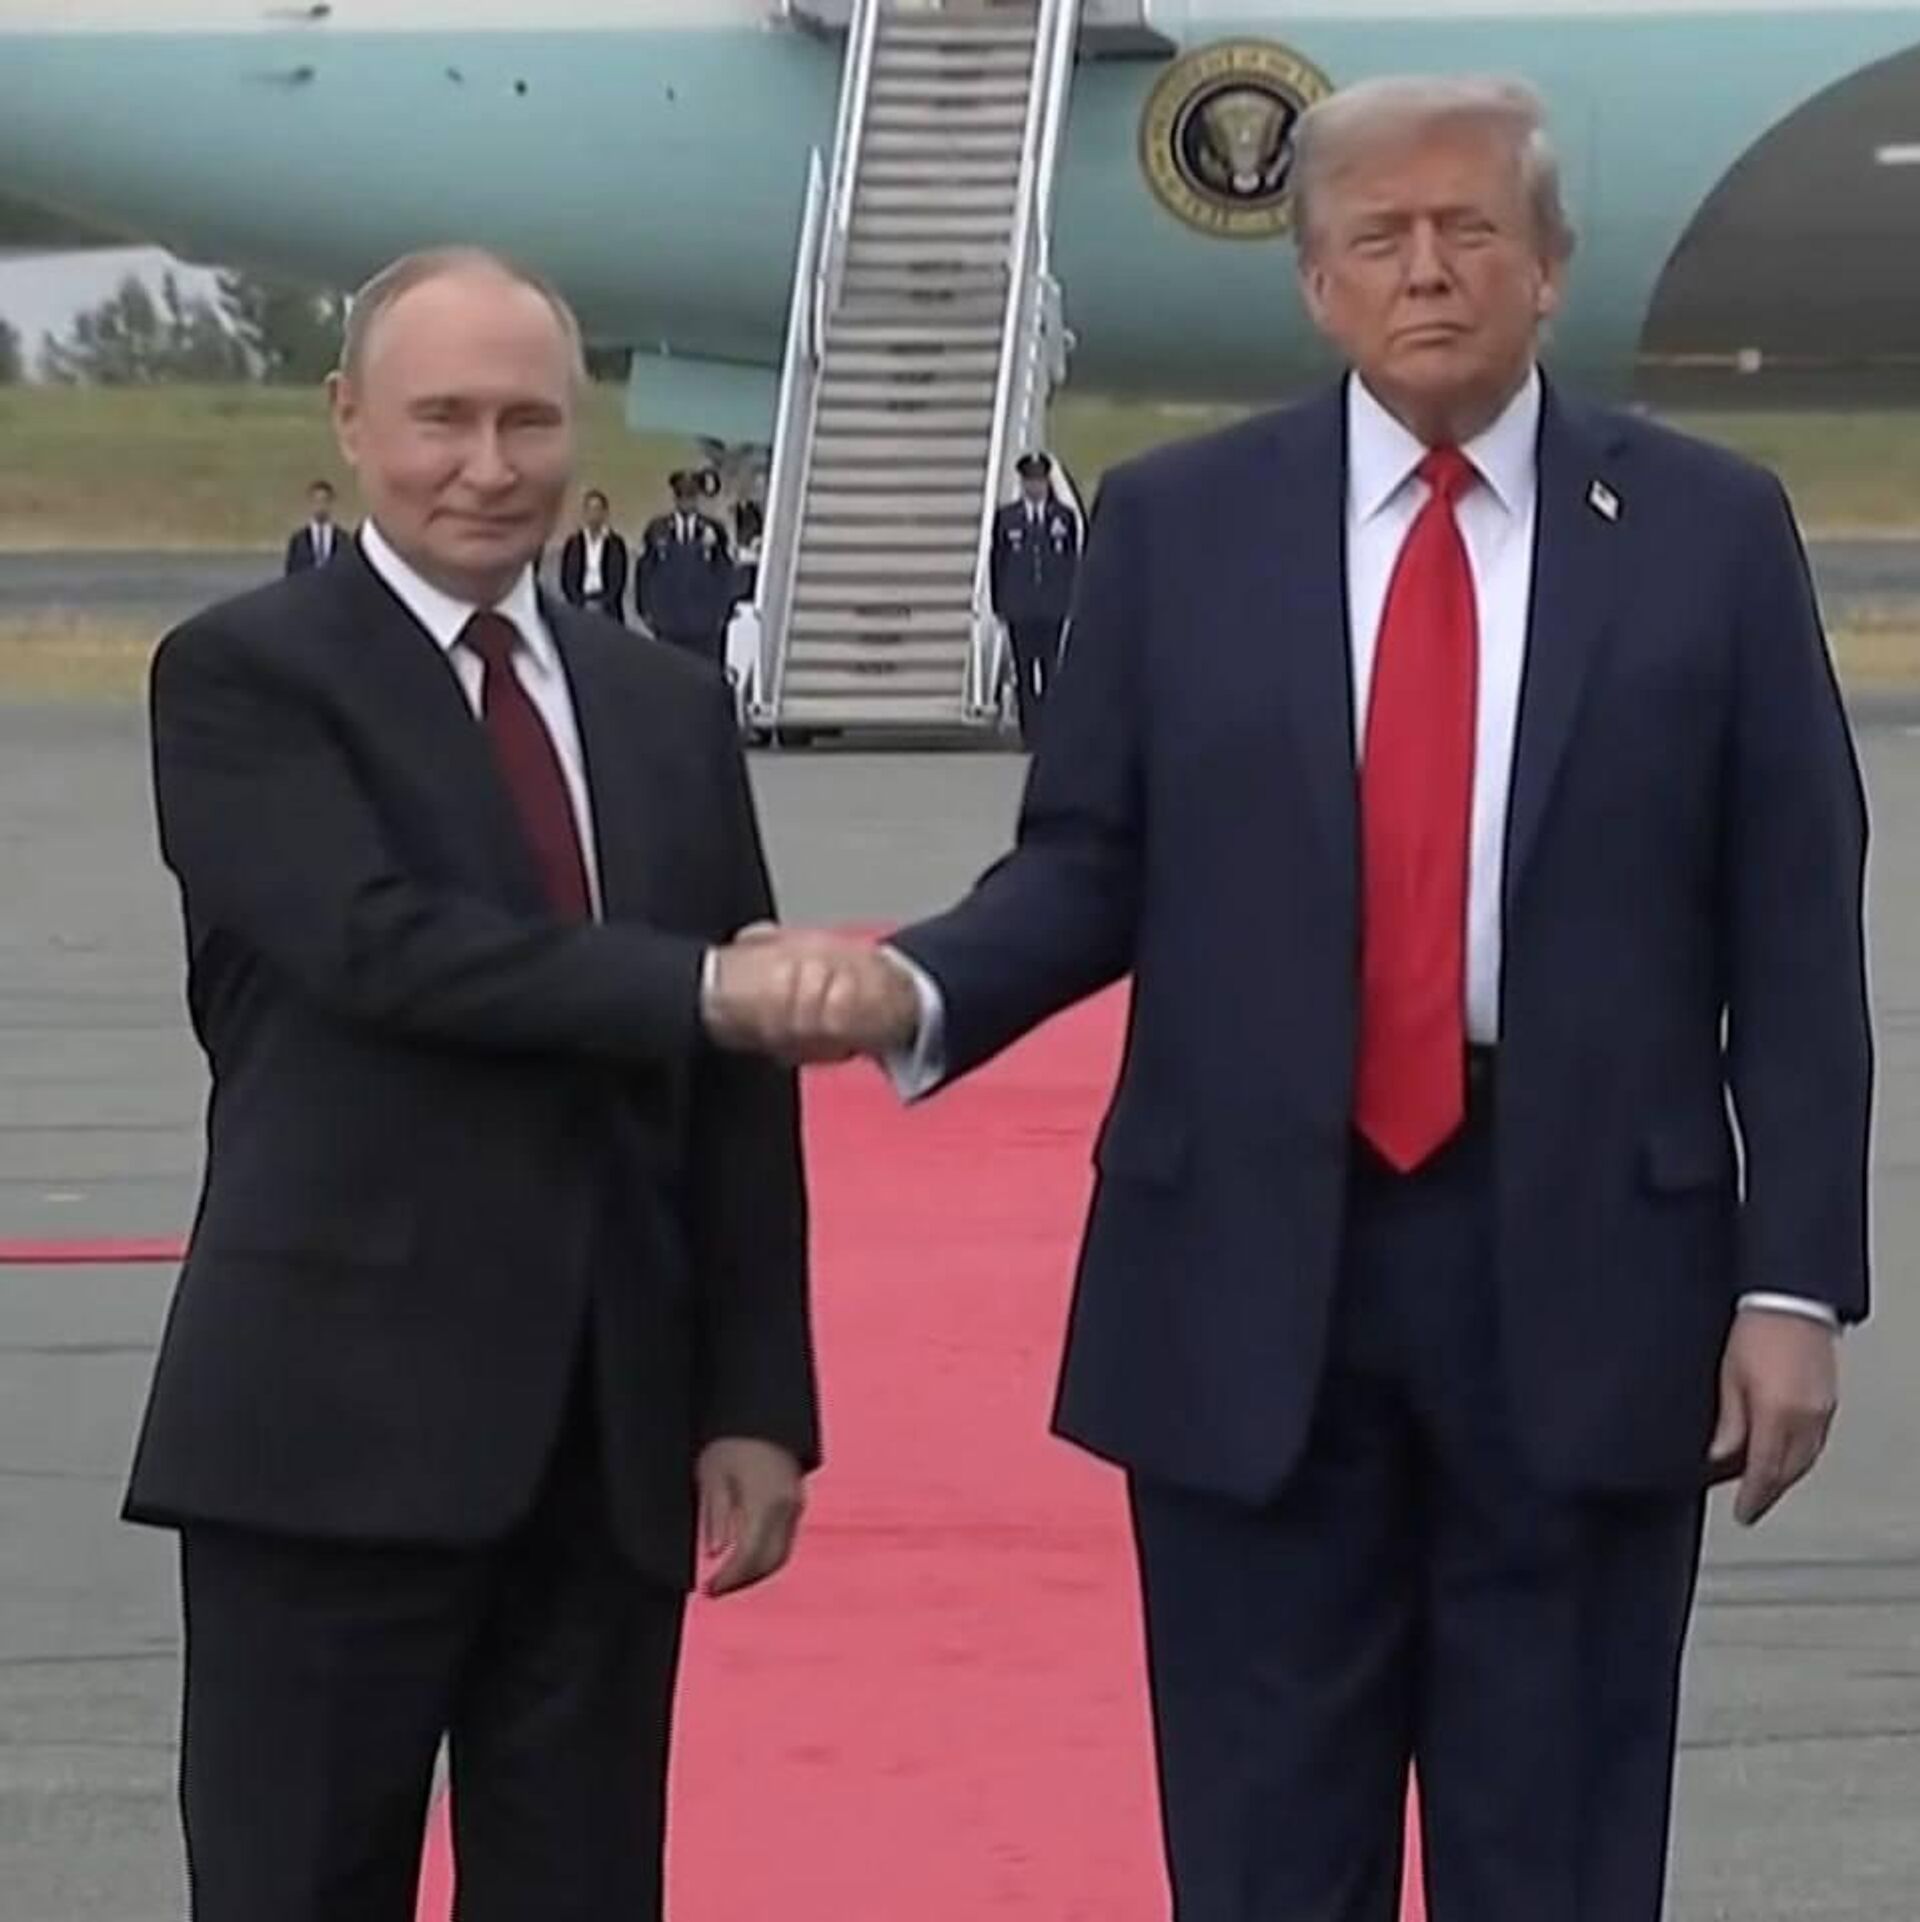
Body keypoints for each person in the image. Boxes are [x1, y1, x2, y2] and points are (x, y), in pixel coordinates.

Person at [706, 75, 1872, 1921]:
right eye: (1379, 239)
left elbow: (1794, 934)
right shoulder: (1181, 527)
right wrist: (910, 986)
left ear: (1550, 267)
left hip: (1589, 1273)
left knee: (1560, 1855)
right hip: (1250, 1277)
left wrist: (1791, 1284)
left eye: (1469, 230)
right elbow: (1090, 865)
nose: (1428, 271)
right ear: (1318, 282)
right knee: (1263, 1858)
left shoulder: (1707, 532)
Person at [131, 246, 820, 1922]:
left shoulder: (663, 706)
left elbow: (733, 1097)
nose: (489, 465)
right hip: (327, 1440)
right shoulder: (243, 677)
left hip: (604, 1444)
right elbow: (381, 949)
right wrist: (703, 984)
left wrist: (756, 1398)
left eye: (528, 420)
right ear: (349, 419)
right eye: (442, 417)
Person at [989, 451, 1079, 745]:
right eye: (1030, 480)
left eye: (1040, 480)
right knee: (1025, 672)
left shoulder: (1062, 517)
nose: (1035, 486)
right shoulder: (1007, 518)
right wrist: (999, 603)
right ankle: (1030, 733)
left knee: (1051, 670)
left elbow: (1070, 562)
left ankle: (1052, 732)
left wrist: (1071, 600)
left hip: (1052, 607)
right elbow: (998, 562)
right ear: (1023, 482)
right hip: (1021, 608)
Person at [636, 468, 734, 663]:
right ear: (675, 498)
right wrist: (646, 610)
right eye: (681, 495)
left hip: (704, 624)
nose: (686, 501)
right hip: (668, 622)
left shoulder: (714, 529)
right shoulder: (658, 528)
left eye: (691, 495)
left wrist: (723, 611)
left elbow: (724, 572)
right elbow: (645, 571)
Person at [557, 485, 630, 621]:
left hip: (608, 608)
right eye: (590, 509)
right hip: (579, 606)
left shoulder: (615, 544)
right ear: (584, 513)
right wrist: (581, 603)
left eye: (597, 509)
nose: (593, 514)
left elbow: (618, 581)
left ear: (605, 513)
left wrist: (602, 603)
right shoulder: (573, 543)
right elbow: (567, 580)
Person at [282, 477, 344, 574]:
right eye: (316, 501)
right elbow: (290, 574)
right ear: (310, 503)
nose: (320, 506)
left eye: (324, 501)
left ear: (331, 503)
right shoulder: (298, 541)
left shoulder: (343, 540)